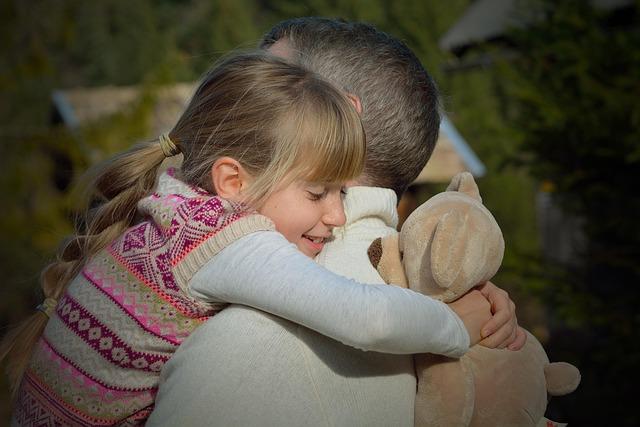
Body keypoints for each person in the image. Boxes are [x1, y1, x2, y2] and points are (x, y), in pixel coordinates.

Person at [3, 51, 493, 426]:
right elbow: (367, 317)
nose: (338, 215)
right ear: (233, 181)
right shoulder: (224, 241)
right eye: (318, 192)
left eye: (342, 192)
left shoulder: (175, 204)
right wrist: (457, 325)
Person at [148, 18, 525, 427]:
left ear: (341, 114)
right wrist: (460, 310)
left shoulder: (244, 346)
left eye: (269, 82)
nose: (234, 105)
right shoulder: (443, 304)